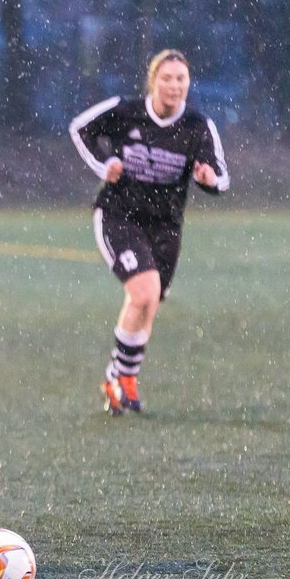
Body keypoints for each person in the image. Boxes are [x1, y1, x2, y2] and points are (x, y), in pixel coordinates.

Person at [69, 49, 230, 415]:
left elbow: (221, 175)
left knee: (147, 303)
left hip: (166, 227)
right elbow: (80, 129)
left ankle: (122, 376)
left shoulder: (197, 126)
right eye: (167, 78)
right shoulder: (127, 112)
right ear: (153, 81)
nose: (174, 86)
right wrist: (104, 162)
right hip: (119, 215)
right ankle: (118, 375)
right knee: (145, 291)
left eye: (181, 79)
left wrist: (209, 179)